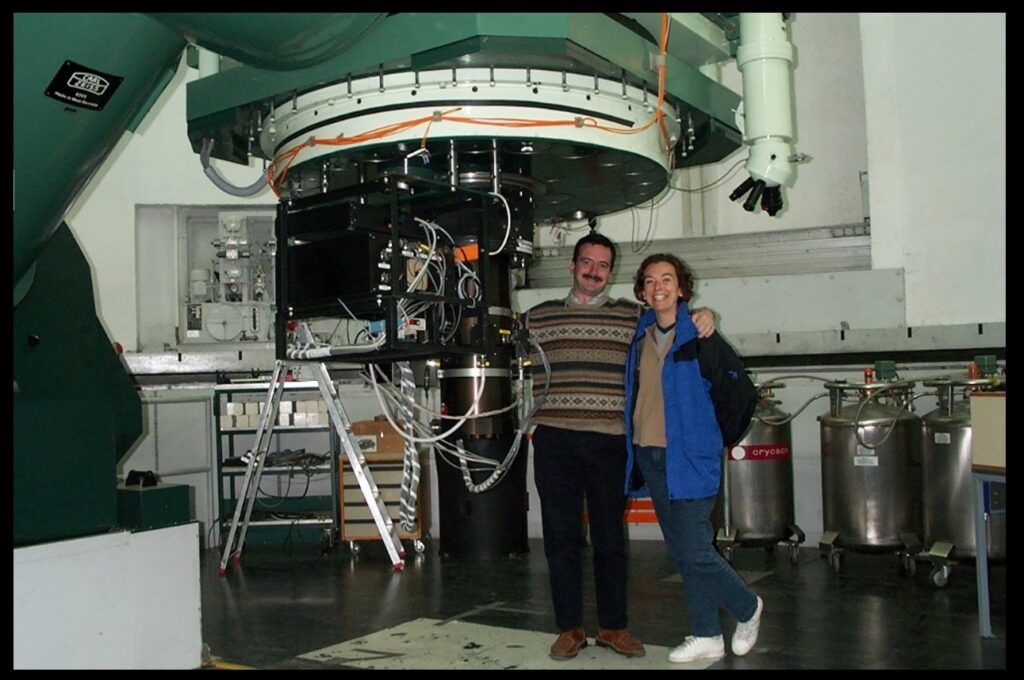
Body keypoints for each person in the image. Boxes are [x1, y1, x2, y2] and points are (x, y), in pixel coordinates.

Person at [526, 233, 716, 661]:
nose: (594, 271)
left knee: (611, 540)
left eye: (603, 265)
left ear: (611, 273)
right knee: (561, 538)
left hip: (611, 440)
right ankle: (569, 629)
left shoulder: (634, 318)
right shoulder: (536, 318)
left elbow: (674, 319)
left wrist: (704, 315)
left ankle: (613, 627)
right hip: (554, 439)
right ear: (573, 266)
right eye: (587, 262)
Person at [623, 253, 761, 664]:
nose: (658, 287)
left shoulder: (702, 337)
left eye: (667, 279)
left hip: (691, 460)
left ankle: (748, 607)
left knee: (697, 549)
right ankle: (707, 634)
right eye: (649, 281)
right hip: (651, 456)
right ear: (642, 291)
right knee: (684, 552)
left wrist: (711, 439)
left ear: (682, 289)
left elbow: (739, 396)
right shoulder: (640, 336)